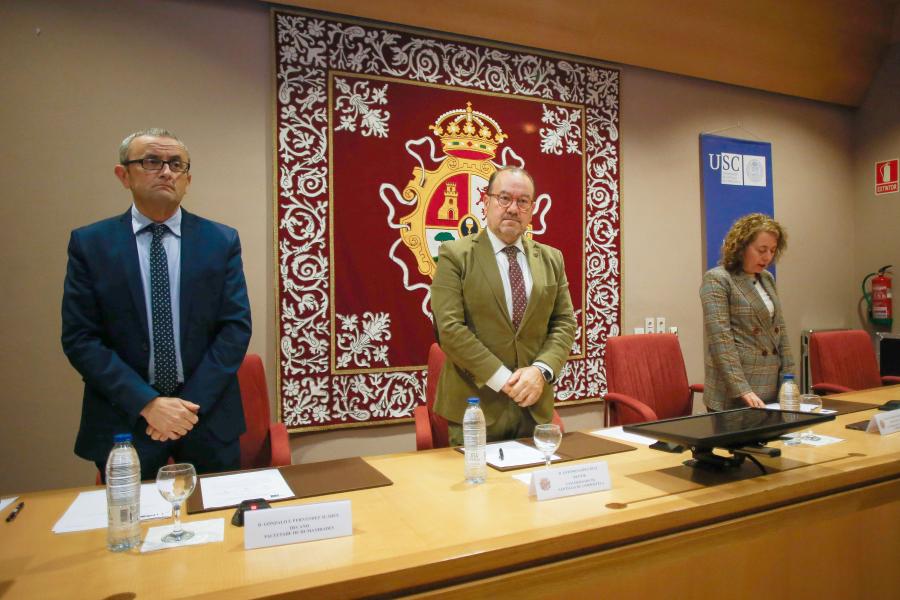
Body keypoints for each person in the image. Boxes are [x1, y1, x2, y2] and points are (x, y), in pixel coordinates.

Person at [62, 128, 252, 479]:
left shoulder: (220, 241)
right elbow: (81, 338)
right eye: (152, 161)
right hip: (126, 421)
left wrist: (185, 410)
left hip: (205, 418)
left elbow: (235, 329)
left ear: (187, 179)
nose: (166, 172)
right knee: (131, 527)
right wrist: (148, 404)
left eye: (176, 164)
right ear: (124, 175)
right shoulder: (91, 245)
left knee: (218, 526)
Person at [430, 166, 576, 444]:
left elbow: (564, 323)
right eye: (504, 198)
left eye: (522, 201)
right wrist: (504, 380)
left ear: (532, 209)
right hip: (475, 408)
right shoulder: (454, 255)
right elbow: (449, 329)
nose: (512, 208)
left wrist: (540, 371)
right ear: (486, 203)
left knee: (534, 484)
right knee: (479, 487)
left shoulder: (552, 259)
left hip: (534, 407)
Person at [700, 213, 795, 411]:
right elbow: (721, 342)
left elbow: (781, 332)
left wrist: (789, 379)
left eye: (772, 250)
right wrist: (743, 390)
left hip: (770, 389)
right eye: (762, 250)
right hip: (735, 392)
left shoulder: (767, 278)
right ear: (742, 246)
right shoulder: (718, 279)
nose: (767, 257)